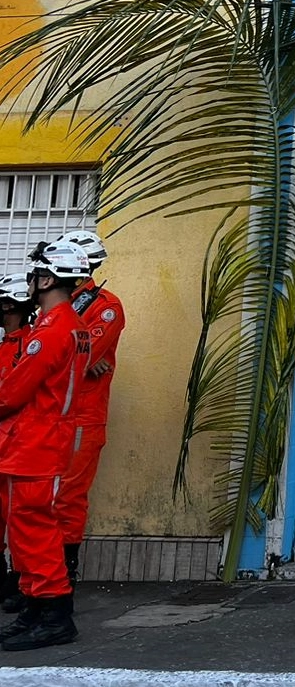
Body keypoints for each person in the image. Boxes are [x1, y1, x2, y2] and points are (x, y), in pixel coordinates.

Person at [0, 241, 91, 651]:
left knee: (35, 530)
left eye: (35, 275)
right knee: (25, 530)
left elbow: (14, 392)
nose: (30, 283)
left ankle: (53, 613)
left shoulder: (53, 330)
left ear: (48, 278)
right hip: (37, 439)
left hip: (38, 440)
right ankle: (36, 607)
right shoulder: (62, 324)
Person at [52, 230, 122, 584]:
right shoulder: (52, 305)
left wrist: (81, 356)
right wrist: (80, 356)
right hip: (50, 414)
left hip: (83, 416)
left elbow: (77, 357)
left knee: (67, 497)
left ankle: (63, 577)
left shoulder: (105, 305)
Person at [0, 273, 35, 613]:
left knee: (19, 519)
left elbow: (15, 396)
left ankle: (22, 582)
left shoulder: (30, 346)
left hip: (16, 444)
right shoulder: (8, 345)